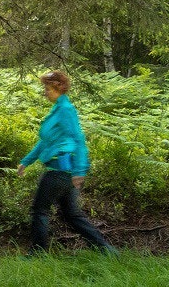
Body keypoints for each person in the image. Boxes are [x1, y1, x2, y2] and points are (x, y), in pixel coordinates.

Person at [17, 71, 116, 255]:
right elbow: (45, 141)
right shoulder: (57, 110)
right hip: (64, 172)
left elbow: (78, 139)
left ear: (58, 88)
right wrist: (26, 161)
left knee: (40, 211)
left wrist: (80, 170)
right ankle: (107, 251)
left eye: (47, 88)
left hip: (58, 171)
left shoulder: (65, 111)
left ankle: (37, 253)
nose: (45, 92)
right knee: (72, 215)